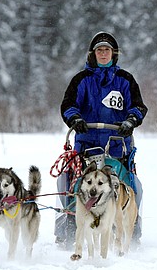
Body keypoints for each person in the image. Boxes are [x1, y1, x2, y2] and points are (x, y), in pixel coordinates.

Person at [55, 30, 147, 247]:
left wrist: (131, 120)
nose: (103, 53)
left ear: (113, 53)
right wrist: (75, 119)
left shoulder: (125, 80)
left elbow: (138, 106)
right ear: (93, 54)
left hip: (117, 146)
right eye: (99, 50)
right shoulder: (81, 80)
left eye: (107, 50)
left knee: (132, 186)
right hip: (86, 146)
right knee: (69, 182)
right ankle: (68, 221)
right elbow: (68, 105)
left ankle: (132, 223)